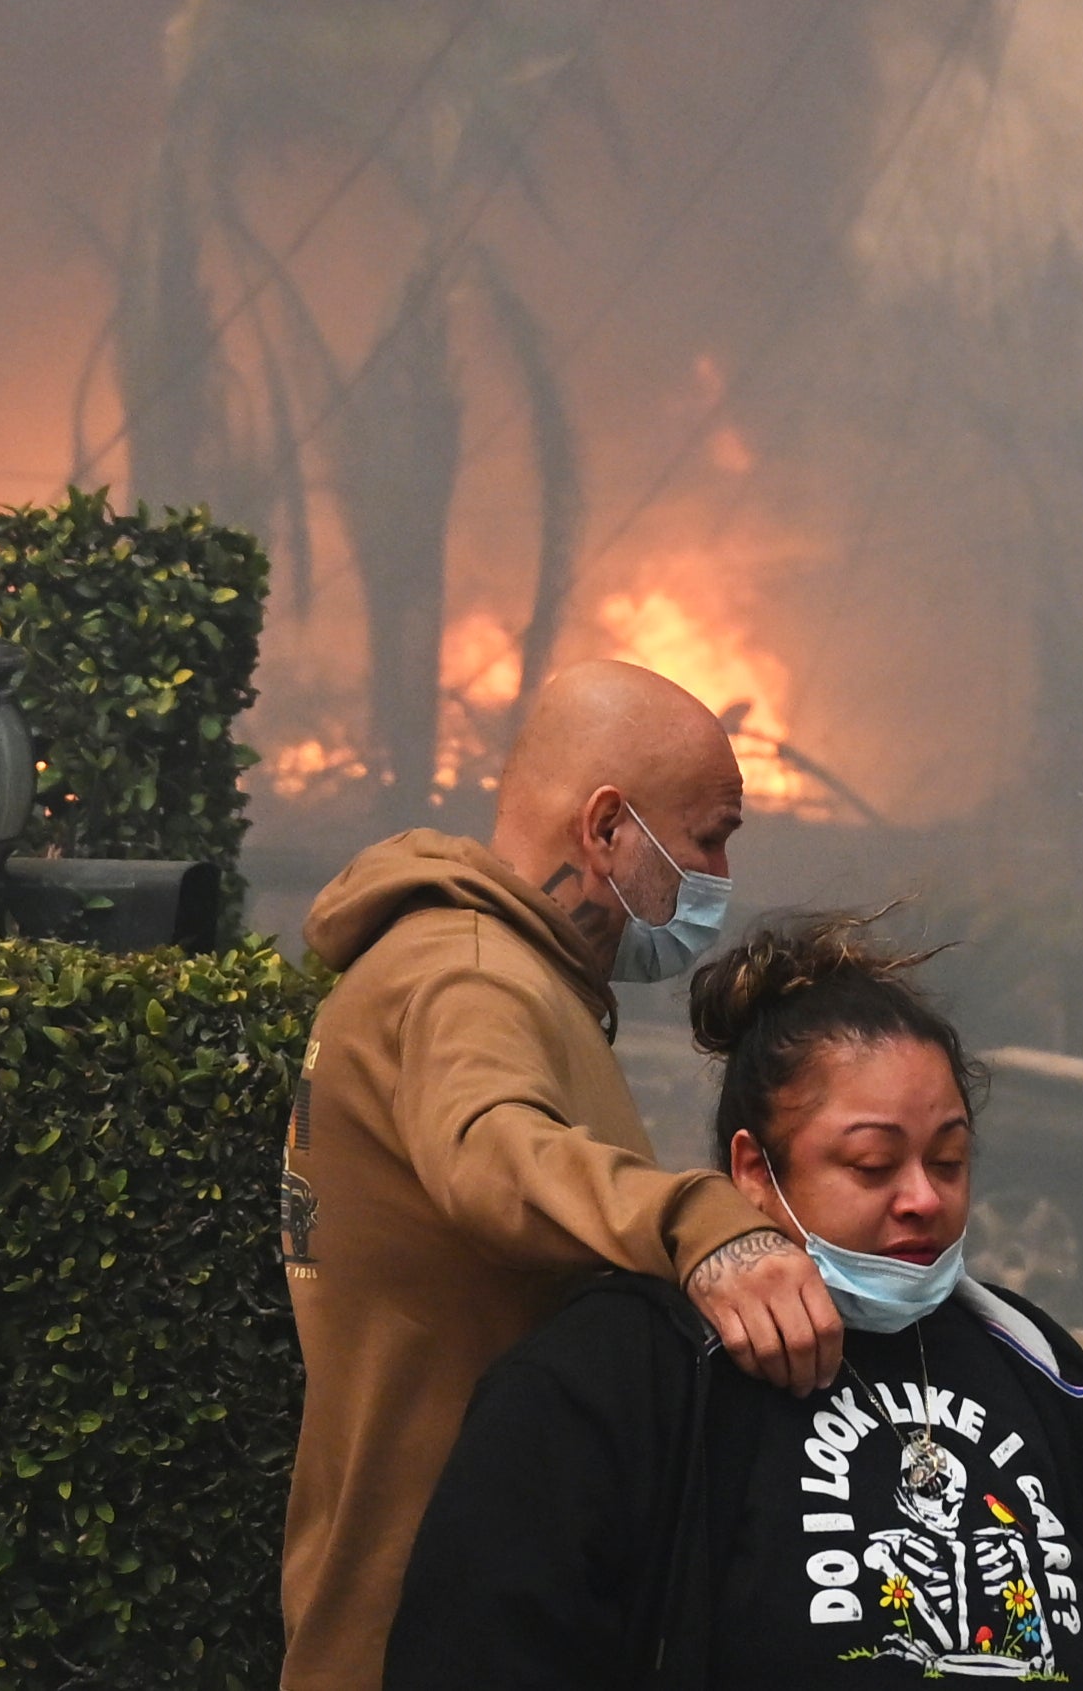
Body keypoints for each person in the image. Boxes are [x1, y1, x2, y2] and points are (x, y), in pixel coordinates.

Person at [382, 911, 1083, 1690]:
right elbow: (474, 1651)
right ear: (755, 1172)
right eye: (872, 1164)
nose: (922, 1198)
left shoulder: (1038, 1364)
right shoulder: (618, 1373)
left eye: (948, 1160)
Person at [281, 660, 846, 1691]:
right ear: (605, 830)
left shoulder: (502, 970)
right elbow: (488, 1152)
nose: (719, 871)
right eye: (709, 834)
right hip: (431, 1641)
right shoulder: (469, 974)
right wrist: (700, 1224)